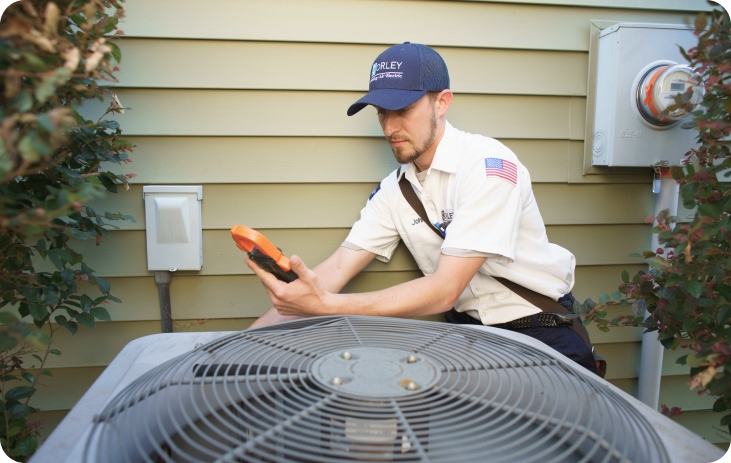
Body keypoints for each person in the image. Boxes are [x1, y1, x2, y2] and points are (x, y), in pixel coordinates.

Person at [246, 42, 598, 375]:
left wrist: (324, 306)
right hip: (471, 339)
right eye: (382, 112)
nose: (389, 127)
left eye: (403, 109)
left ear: (442, 102)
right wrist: (242, 345)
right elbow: (337, 268)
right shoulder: (395, 189)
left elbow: (446, 290)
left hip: (540, 333)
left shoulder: (489, 166)